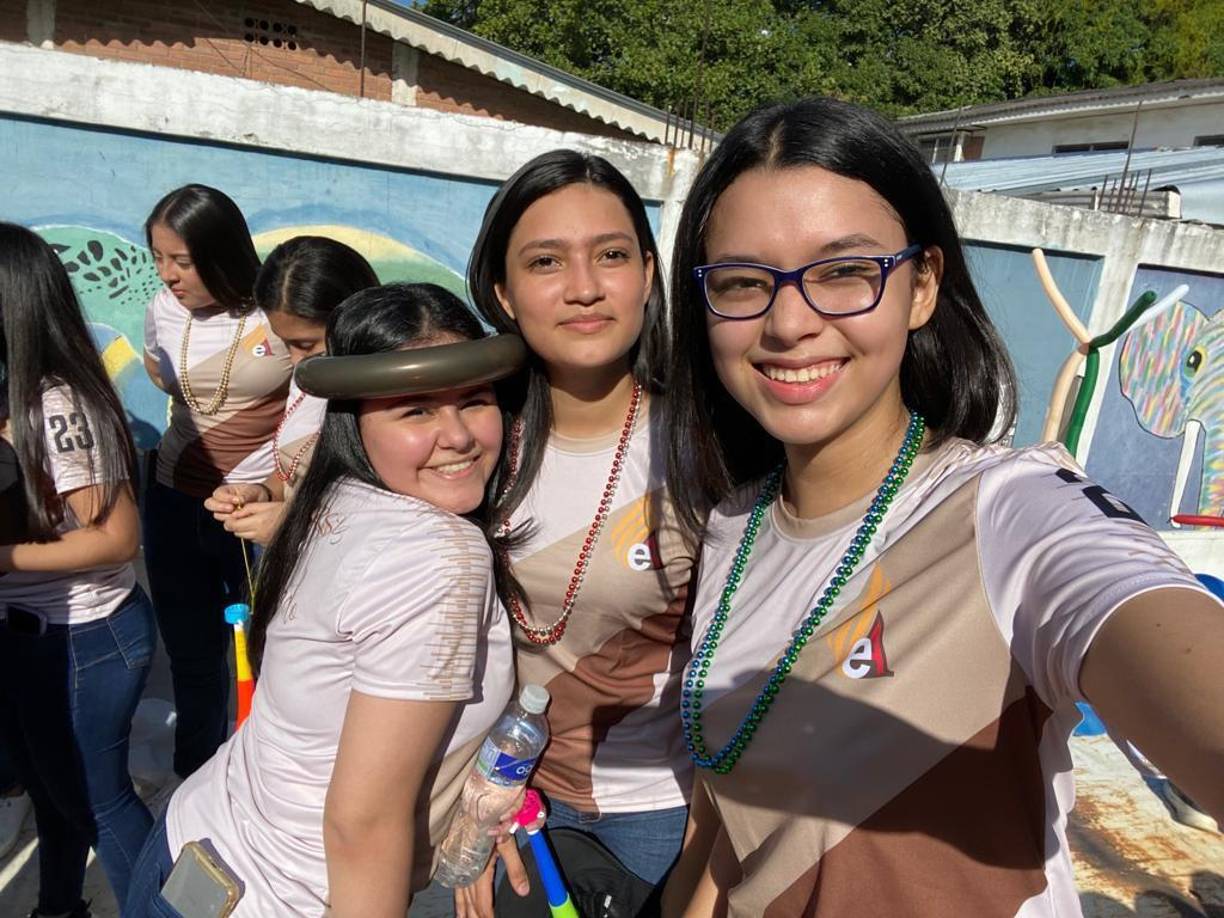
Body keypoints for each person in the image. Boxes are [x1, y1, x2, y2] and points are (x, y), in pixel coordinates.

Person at [659, 97, 1224, 916]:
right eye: (744, 283)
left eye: (844, 273)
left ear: (921, 285)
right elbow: (728, 826)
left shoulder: (1009, 511)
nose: (788, 323)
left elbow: (1145, 627)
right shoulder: (731, 527)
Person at [125, 283, 519, 917]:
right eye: (415, 410)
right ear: (355, 420)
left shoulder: (332, 500)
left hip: (191, 846)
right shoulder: (441, 551)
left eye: (475, 400)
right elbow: (363, 823)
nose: (458, 436)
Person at [464, 149, 698, 912]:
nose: (586, 287)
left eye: (611, 254)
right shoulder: (469, 437)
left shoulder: (704, 450)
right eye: (545, 261)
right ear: (503, 292)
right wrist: (464, 802)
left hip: (654, 811)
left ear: (649, 274)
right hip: (499, 787)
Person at [0, 222, 155, 916]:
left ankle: (162, 908)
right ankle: (59, 905)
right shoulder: (13, 391)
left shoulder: (57, 405)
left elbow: (116, 540)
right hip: (32, 635)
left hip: (87, 641)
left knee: (101, 803)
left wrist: (3, 559)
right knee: (52, 787)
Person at [141, 184, 292, 779]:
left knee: (266, 653)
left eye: (182, 260)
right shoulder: (162, 309)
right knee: (191, 654)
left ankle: (264, 772)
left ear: (223, 252)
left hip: (251, 514)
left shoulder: (273, 315)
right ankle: (194, 775)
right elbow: (160, 374)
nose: (168, 274)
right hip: (174, 500)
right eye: (158, 257)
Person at [204, 236, 379, 545]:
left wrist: (296, 527)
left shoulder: (385, 402)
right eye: (285, 343)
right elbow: (296, 470)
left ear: (352, 318)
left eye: (306, 344)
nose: (296, 361)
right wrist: (263, 491)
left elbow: (382, 520)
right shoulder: (311, 378)